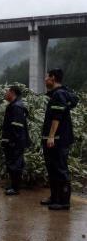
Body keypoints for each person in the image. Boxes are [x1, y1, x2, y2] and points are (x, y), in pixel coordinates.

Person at [41, 68, 78, 210]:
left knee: (60, 169)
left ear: (53, 78)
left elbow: (57, 116)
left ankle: (63, 202)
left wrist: (51, 136)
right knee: (52, 169)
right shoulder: (60, 93)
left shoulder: (59, 94)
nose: (45, 79)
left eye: (47, 77)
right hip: (56, 138)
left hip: (58, 139)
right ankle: (54, 197)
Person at [1, 85, 31, 195]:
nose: (5, 93)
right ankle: (13, 185)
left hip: (15, 142)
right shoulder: (14, 105)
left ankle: (15, 188)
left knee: (16, 163)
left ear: (12, 92)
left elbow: (17, 126)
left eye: (6, 91)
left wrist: (12, 141)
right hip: (12, 141)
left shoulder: (16, 107)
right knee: (12, 163)